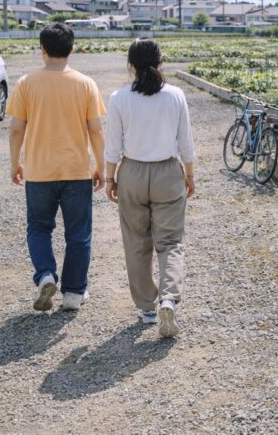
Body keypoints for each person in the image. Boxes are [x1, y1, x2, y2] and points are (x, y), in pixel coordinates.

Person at [7, 23, 106, 312]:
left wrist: (15, 163)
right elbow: (96, 130)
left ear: (42, 50)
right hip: (76, 171)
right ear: (72, 49)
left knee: (39, 228)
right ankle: (73, 294)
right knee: (78, 234)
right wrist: (101, 166)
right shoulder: (85, 84)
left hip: (39, 171)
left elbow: (16, 129)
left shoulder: (26, 83)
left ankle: (46, 275)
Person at [104, 39, 195, 338]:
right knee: (170, 242)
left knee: (136, 242)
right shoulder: (175, 95)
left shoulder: (119, 98)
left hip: (131, 172)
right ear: (160, 63)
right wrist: (189, 175)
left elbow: (112, 146)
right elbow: (186, 143)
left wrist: (110, 178)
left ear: (130, 65)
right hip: (167, 172)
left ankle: (146, 308)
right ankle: (168, 299)